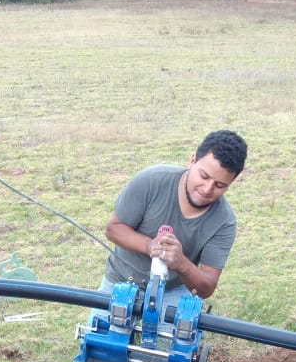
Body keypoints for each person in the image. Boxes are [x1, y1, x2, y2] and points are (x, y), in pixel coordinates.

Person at [99, 130, 247, 319]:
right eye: (204, 176)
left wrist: (181, 263)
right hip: (120, 280)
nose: (207, 189)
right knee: (100, 345)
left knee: (171, 347)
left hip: (173, 290)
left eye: (219, 185)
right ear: (192, 160)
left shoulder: (224, 222)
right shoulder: (152, 180)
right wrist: (150, 245)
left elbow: (206, 287)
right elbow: (113, 228)